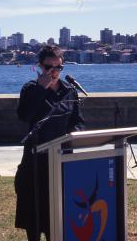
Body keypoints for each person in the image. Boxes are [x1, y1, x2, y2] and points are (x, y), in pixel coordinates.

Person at [14, 46, 85, 241]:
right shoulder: (30, 89)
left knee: (58, 215)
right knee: (34, 215)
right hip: (36, 159)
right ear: (40, 66)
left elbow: (77, 120)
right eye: (49, 67)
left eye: (58, 68)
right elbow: (24, 116)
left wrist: (75, 136)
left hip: (61, 158)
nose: (53, 72)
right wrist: (40, 90)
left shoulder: (69, 91)